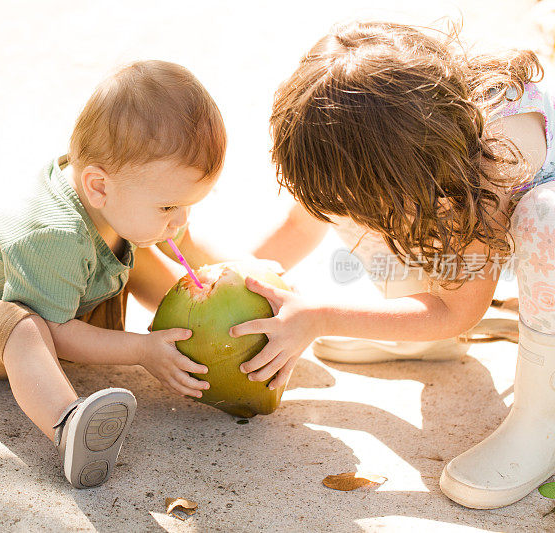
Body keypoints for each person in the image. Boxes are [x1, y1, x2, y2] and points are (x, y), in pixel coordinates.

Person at [238, 21, 555, 509]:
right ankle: (423, 334)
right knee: (356, 198)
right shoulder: (396, 136)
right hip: (459, 218)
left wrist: (320, 317)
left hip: (537, 246)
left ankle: (542, 419)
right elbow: (304, 223)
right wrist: (244, 271)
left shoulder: (490, 169)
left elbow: (457, 309)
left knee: (545, 220)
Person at [0, 60, 227, 489]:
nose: (180, 222)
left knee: (130, 250)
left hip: (47, 303)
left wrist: (213, 308)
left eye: (187, 205)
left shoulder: (112, 196)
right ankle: (67, 424)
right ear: (98, 186)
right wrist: (142, 350)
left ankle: (185, 330)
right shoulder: (55, 235)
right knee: (22, 327)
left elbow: (157, 261)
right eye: (168, 207)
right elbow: (56, 331)